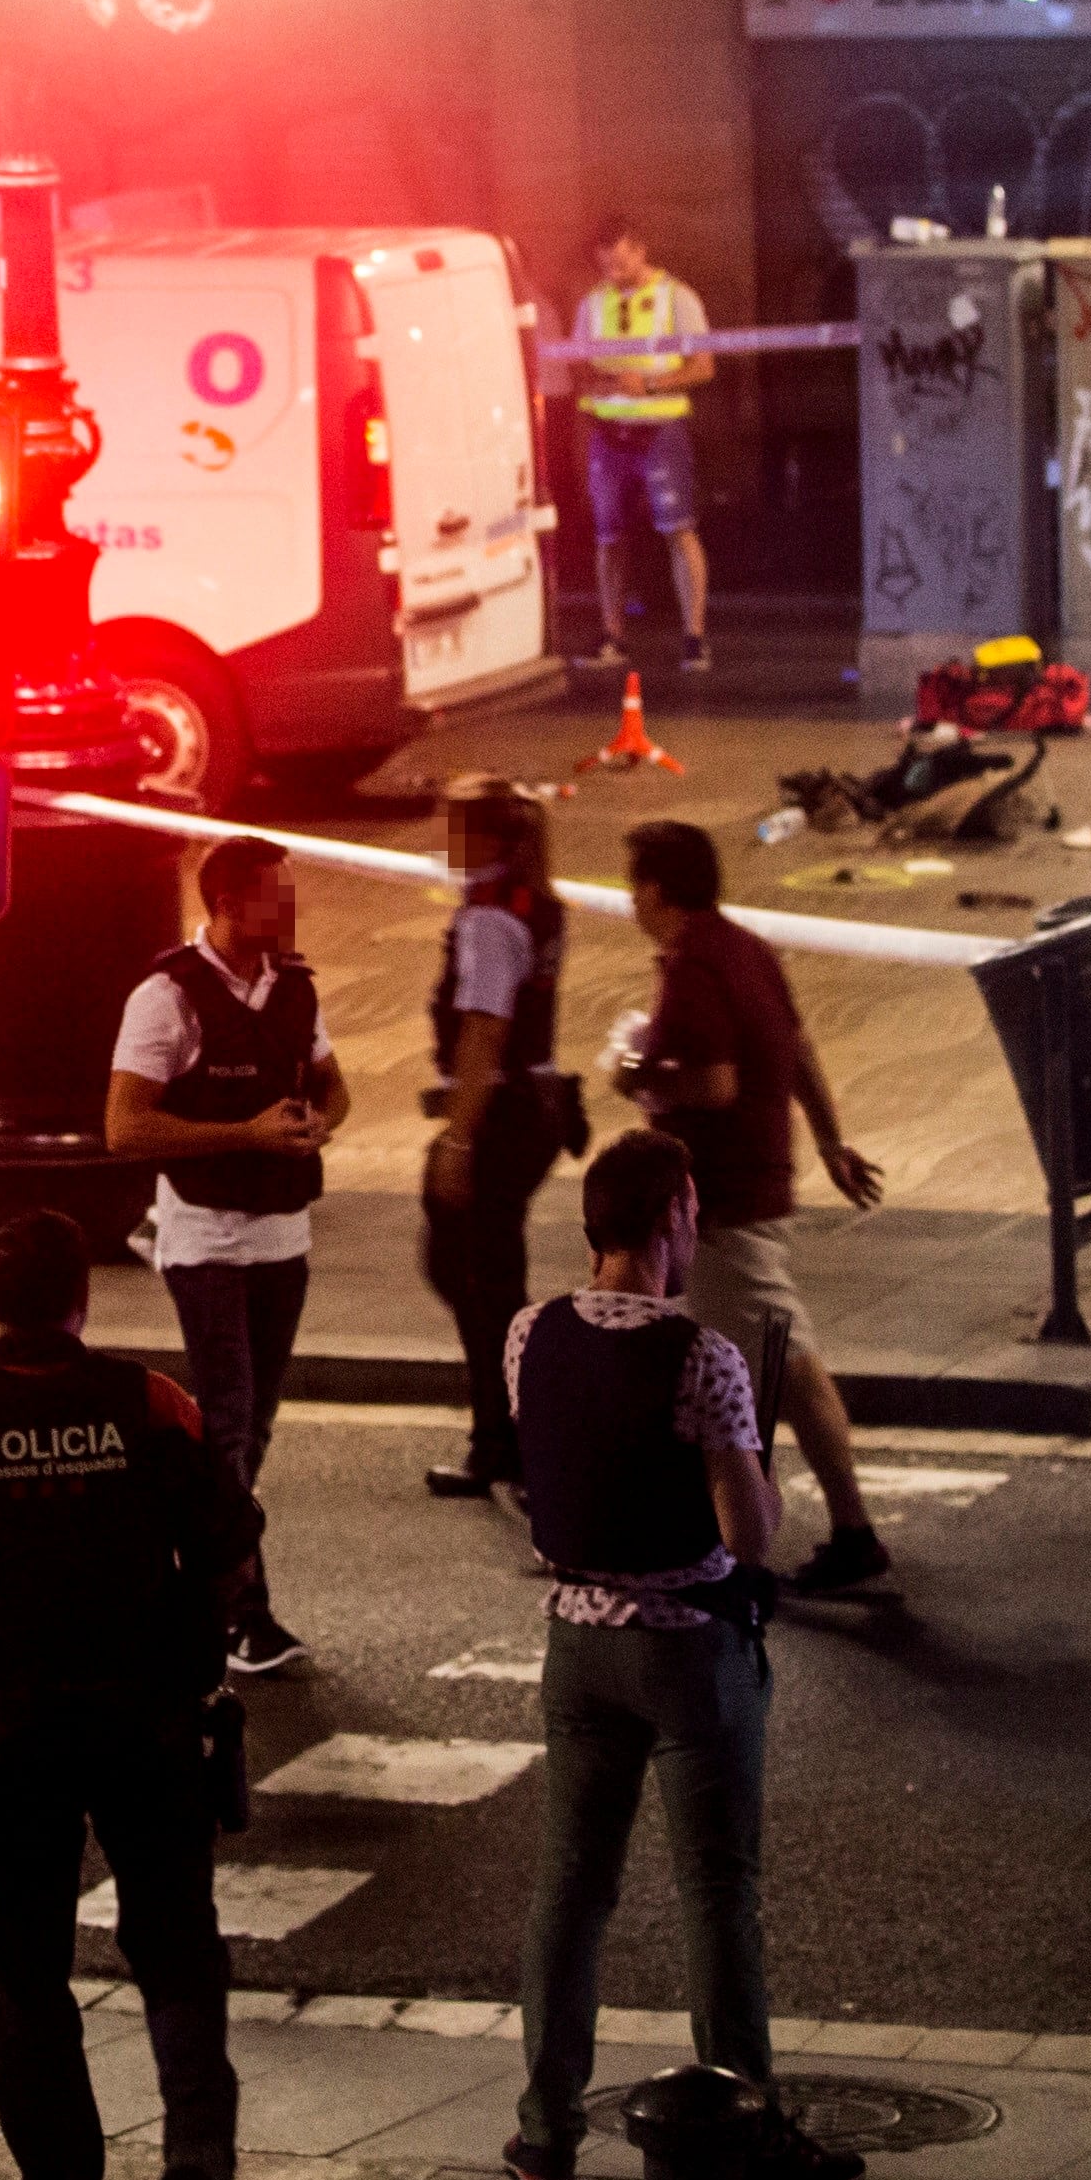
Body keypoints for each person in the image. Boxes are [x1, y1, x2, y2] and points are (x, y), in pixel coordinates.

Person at [505, 1131, 864, 2180]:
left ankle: (543, 2132)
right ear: (667, 1219)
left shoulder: (531, 1333)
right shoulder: (701, 1356)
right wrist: (753, 1446)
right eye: (692, 1207)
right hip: (687, 1647)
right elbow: (748, 1532)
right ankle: (746, 2125)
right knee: (717, 1895)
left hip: (575, 1644)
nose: (697, 1225)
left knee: (571, 1891)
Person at [0, 1211, 258, 2180]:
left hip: (11, 1732)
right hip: (146, 1717)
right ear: (80, 1301)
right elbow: (229, 1551)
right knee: (177, 1940)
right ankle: (196, 2148)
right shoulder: (151, 1404)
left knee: (21, 1966)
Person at [612, 821, 892, 1595]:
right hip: (754, 1185)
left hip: (725, 1201)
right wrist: (831, 1142)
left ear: (656, 889)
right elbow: (799, 1049)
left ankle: (806, 1539)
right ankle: (789, 1529)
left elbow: (712, 1085)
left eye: (633, 883)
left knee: (773, 1374)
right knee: (762, 1366)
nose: (630, 899)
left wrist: (633, 1074)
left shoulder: (695, 963)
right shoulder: (743, 946)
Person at [104, 835, 347, 1675]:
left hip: (285, 1234)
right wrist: (241, 1133)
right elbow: (124, 1125)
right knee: (231, 1419)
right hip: (204, 1236)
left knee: (251, 1426)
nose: (292, 909)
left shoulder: (295, 987)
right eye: (276, 895)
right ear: (228, 902)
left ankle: (191, 1557)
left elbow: (332, 1083)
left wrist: (321, 1122)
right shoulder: (166, 996)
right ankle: (241, 1611)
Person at [422, 776, 574, 1507]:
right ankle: (511, 1433)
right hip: (537, 1107)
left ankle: (507, 1440)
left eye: (454, 828)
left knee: (477, 1281)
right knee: (485, 1277)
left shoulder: (487, 919)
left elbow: (484, 1031)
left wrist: (458, 1140)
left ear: (485, 839)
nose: (444, 844)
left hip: (500, 1114)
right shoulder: (533, 901)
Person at [573, 218, 713, 675]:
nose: (612, 271)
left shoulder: (678, 297)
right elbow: (575, 364)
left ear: (640, 250)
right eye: (604, 264)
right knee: (608, 538)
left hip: (660, 432)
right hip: (609, 434)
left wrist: (650, 384)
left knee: (679, 530)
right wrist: (606, 382)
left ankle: (694, 638)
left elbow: (703, 367)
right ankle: (612, 636)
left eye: (619, 261)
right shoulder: (592, 304)